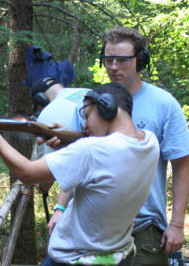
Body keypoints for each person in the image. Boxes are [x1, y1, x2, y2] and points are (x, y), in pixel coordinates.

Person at [0, 82, 160, 265]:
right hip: (116, 256)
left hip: (72, 259)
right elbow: (110, 154)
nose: (84, 125)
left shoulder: (90, 150)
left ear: (106, 108)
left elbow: (27, 173)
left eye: (87, 115)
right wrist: (69, 141)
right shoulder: (149, 143)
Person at [50, 27, 189, 265]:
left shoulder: (165, 105)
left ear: (140, 60)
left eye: (122, 60)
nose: (114, 67)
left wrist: (176, 224)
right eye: (108, 59)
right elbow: (80, 165)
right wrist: (60, 209)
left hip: (144, 229)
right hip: (89, 230)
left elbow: (182, 166)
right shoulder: (90, 102)